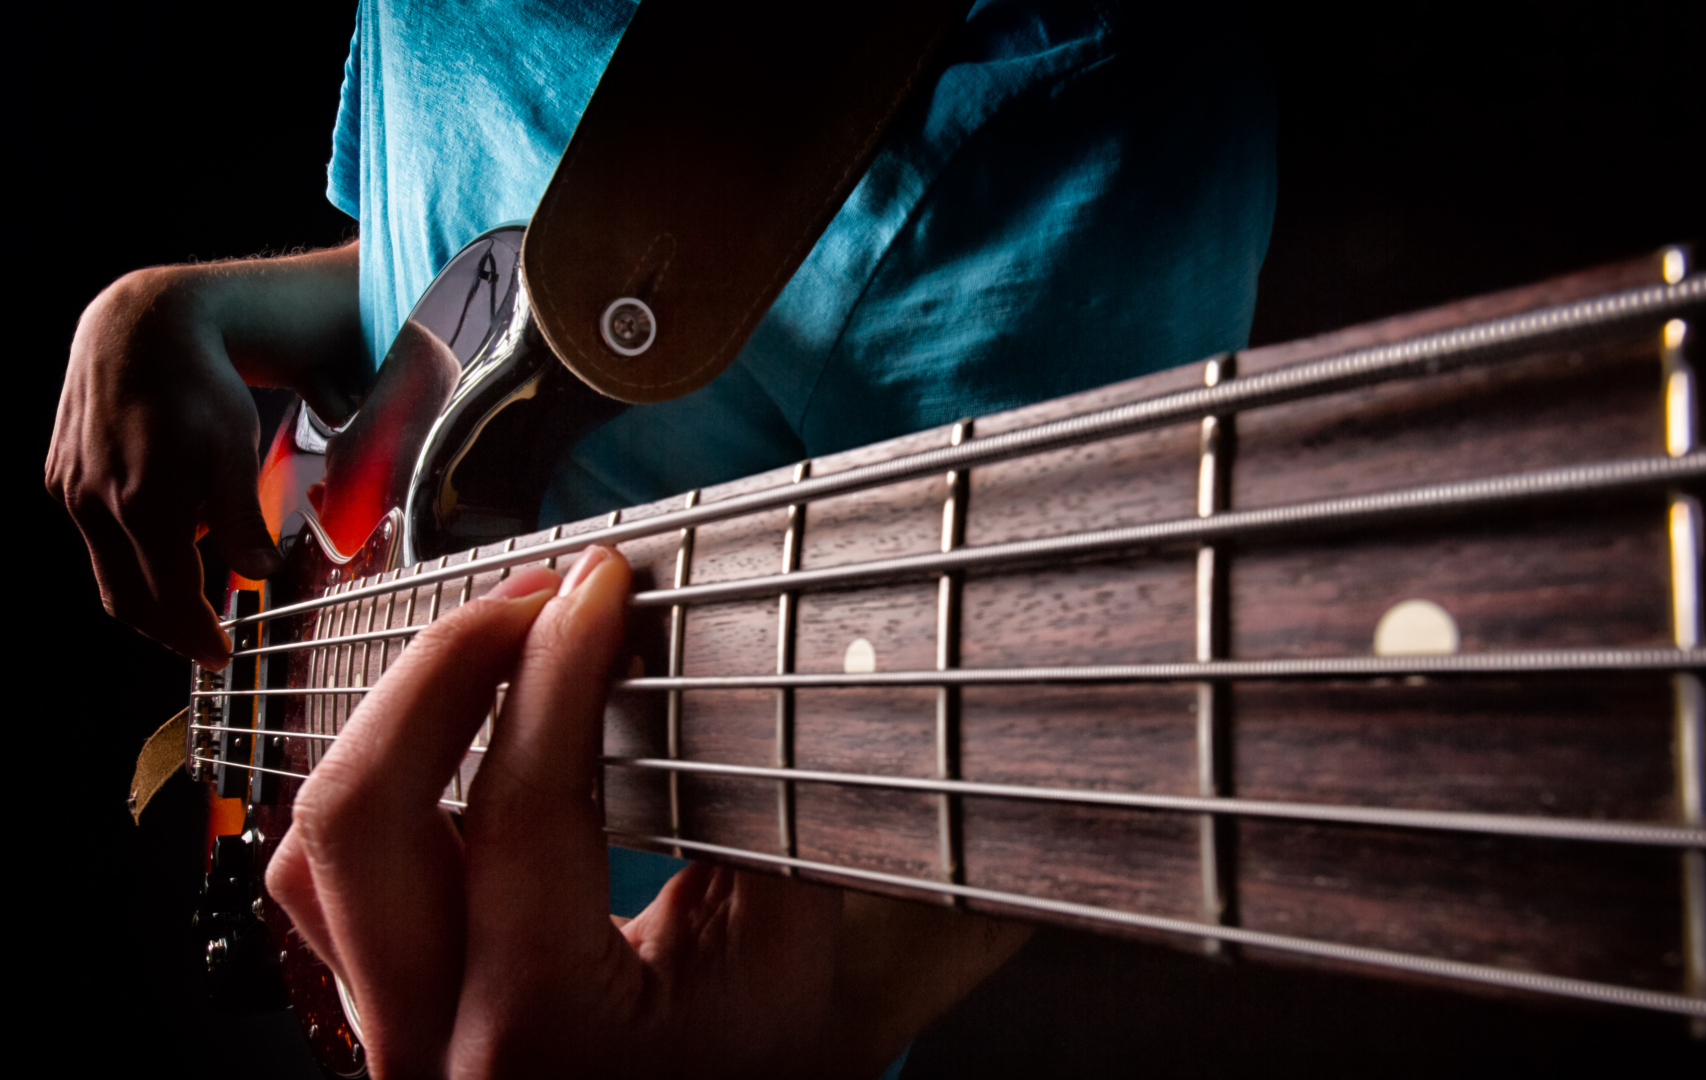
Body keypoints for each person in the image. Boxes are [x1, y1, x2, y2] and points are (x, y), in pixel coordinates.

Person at [46, 0, 1276, 1074]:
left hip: (619, 994)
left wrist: (836, 1020)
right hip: (381, 944)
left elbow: (1085, 696)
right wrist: (171, 308)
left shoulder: (1083, 83)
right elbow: (463, 248)